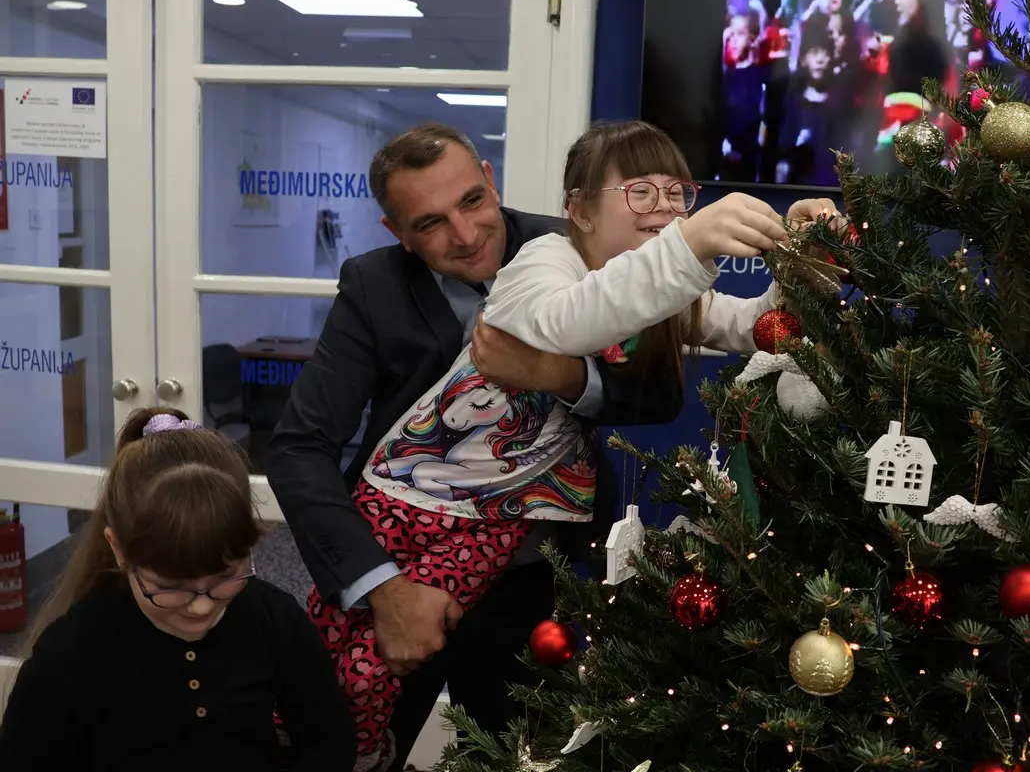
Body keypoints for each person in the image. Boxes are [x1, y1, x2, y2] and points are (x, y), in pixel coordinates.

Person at [266, 121, 843, 771]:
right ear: (396, 231)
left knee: (523, 749)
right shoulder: (548, 257)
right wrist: (383, 588)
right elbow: (579, 313)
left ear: (491, 180)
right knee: (347, 692)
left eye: (472, 201)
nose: (465, 234)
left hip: (527, 560)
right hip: (409, 517)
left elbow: (730, 337)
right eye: (430, 223)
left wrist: (802, 269)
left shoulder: (627, 254)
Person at [0, 407, 355, 772]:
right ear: (119, 549)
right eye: (170, 587)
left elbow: (330, 740)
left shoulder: (275, 620)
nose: (201, 607)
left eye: (224, 577)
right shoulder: (70, 653)